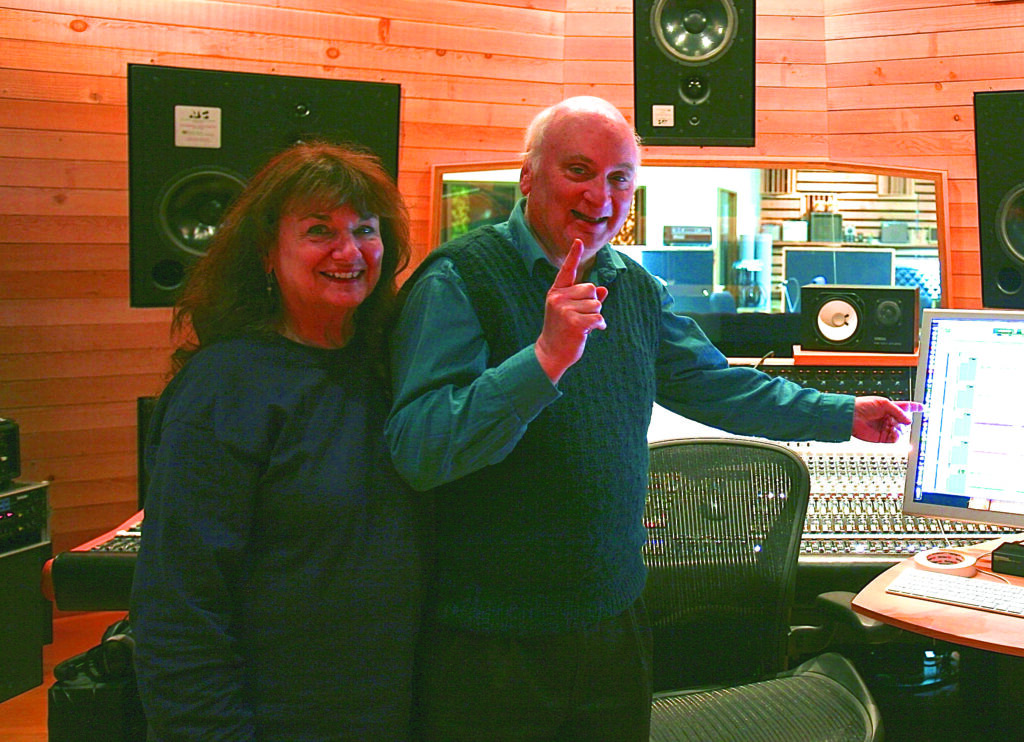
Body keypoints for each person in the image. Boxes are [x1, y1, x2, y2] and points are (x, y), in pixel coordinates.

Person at [385, 96, 920, 741]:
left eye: (619, 178)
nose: (600, 196)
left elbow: (712, 384)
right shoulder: (458, 281)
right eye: (578, 171)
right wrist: (545, 358)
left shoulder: (632, 287)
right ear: (528, 177)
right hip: (490, 636)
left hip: (611, 622)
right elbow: (420, 449)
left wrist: (843, 414)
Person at [130, 141, 430, 741]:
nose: (348, 252)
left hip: (399, 713)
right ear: (267, 253)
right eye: (319, 230)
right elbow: (179, 607)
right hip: (278, 720)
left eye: (364, 230)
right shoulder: (223, 389)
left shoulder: (395, 369)